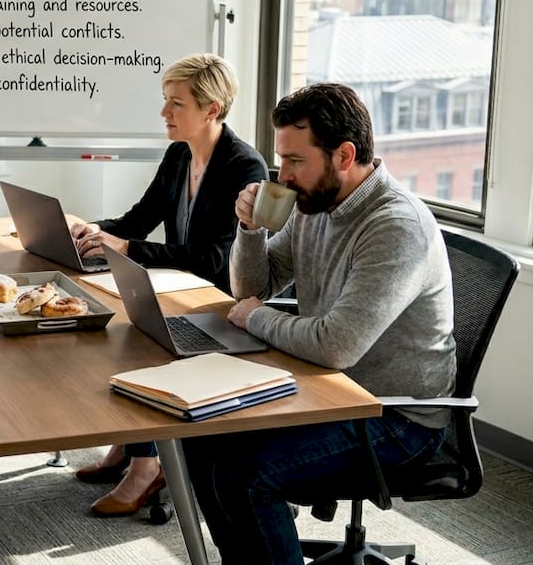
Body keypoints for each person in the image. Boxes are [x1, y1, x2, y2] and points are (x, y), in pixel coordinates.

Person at [183, 82, 456, 564]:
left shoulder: (395, 226)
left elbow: (336, 346)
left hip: (394, 416)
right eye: (280, 159)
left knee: (248, 477)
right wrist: (249, 231)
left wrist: (257, 318)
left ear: (344, 155)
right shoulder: (315, 204)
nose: (282, 175)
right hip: (327, 390)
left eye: (294, 160)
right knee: (202, 439)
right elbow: (255, 289)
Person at [68, 53, 267, 517]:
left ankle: (146, 465)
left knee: (137, 339)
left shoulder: (244, 166)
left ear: (212, 109)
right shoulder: (180, 154)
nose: (164, 113)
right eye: (165, 101)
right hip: (178, 289)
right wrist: (86, 229)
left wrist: (129, 248)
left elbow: (217, 258)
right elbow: (138, 219)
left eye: (175, 103)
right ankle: (129, 445)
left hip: (219, 301)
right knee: (115, 324)